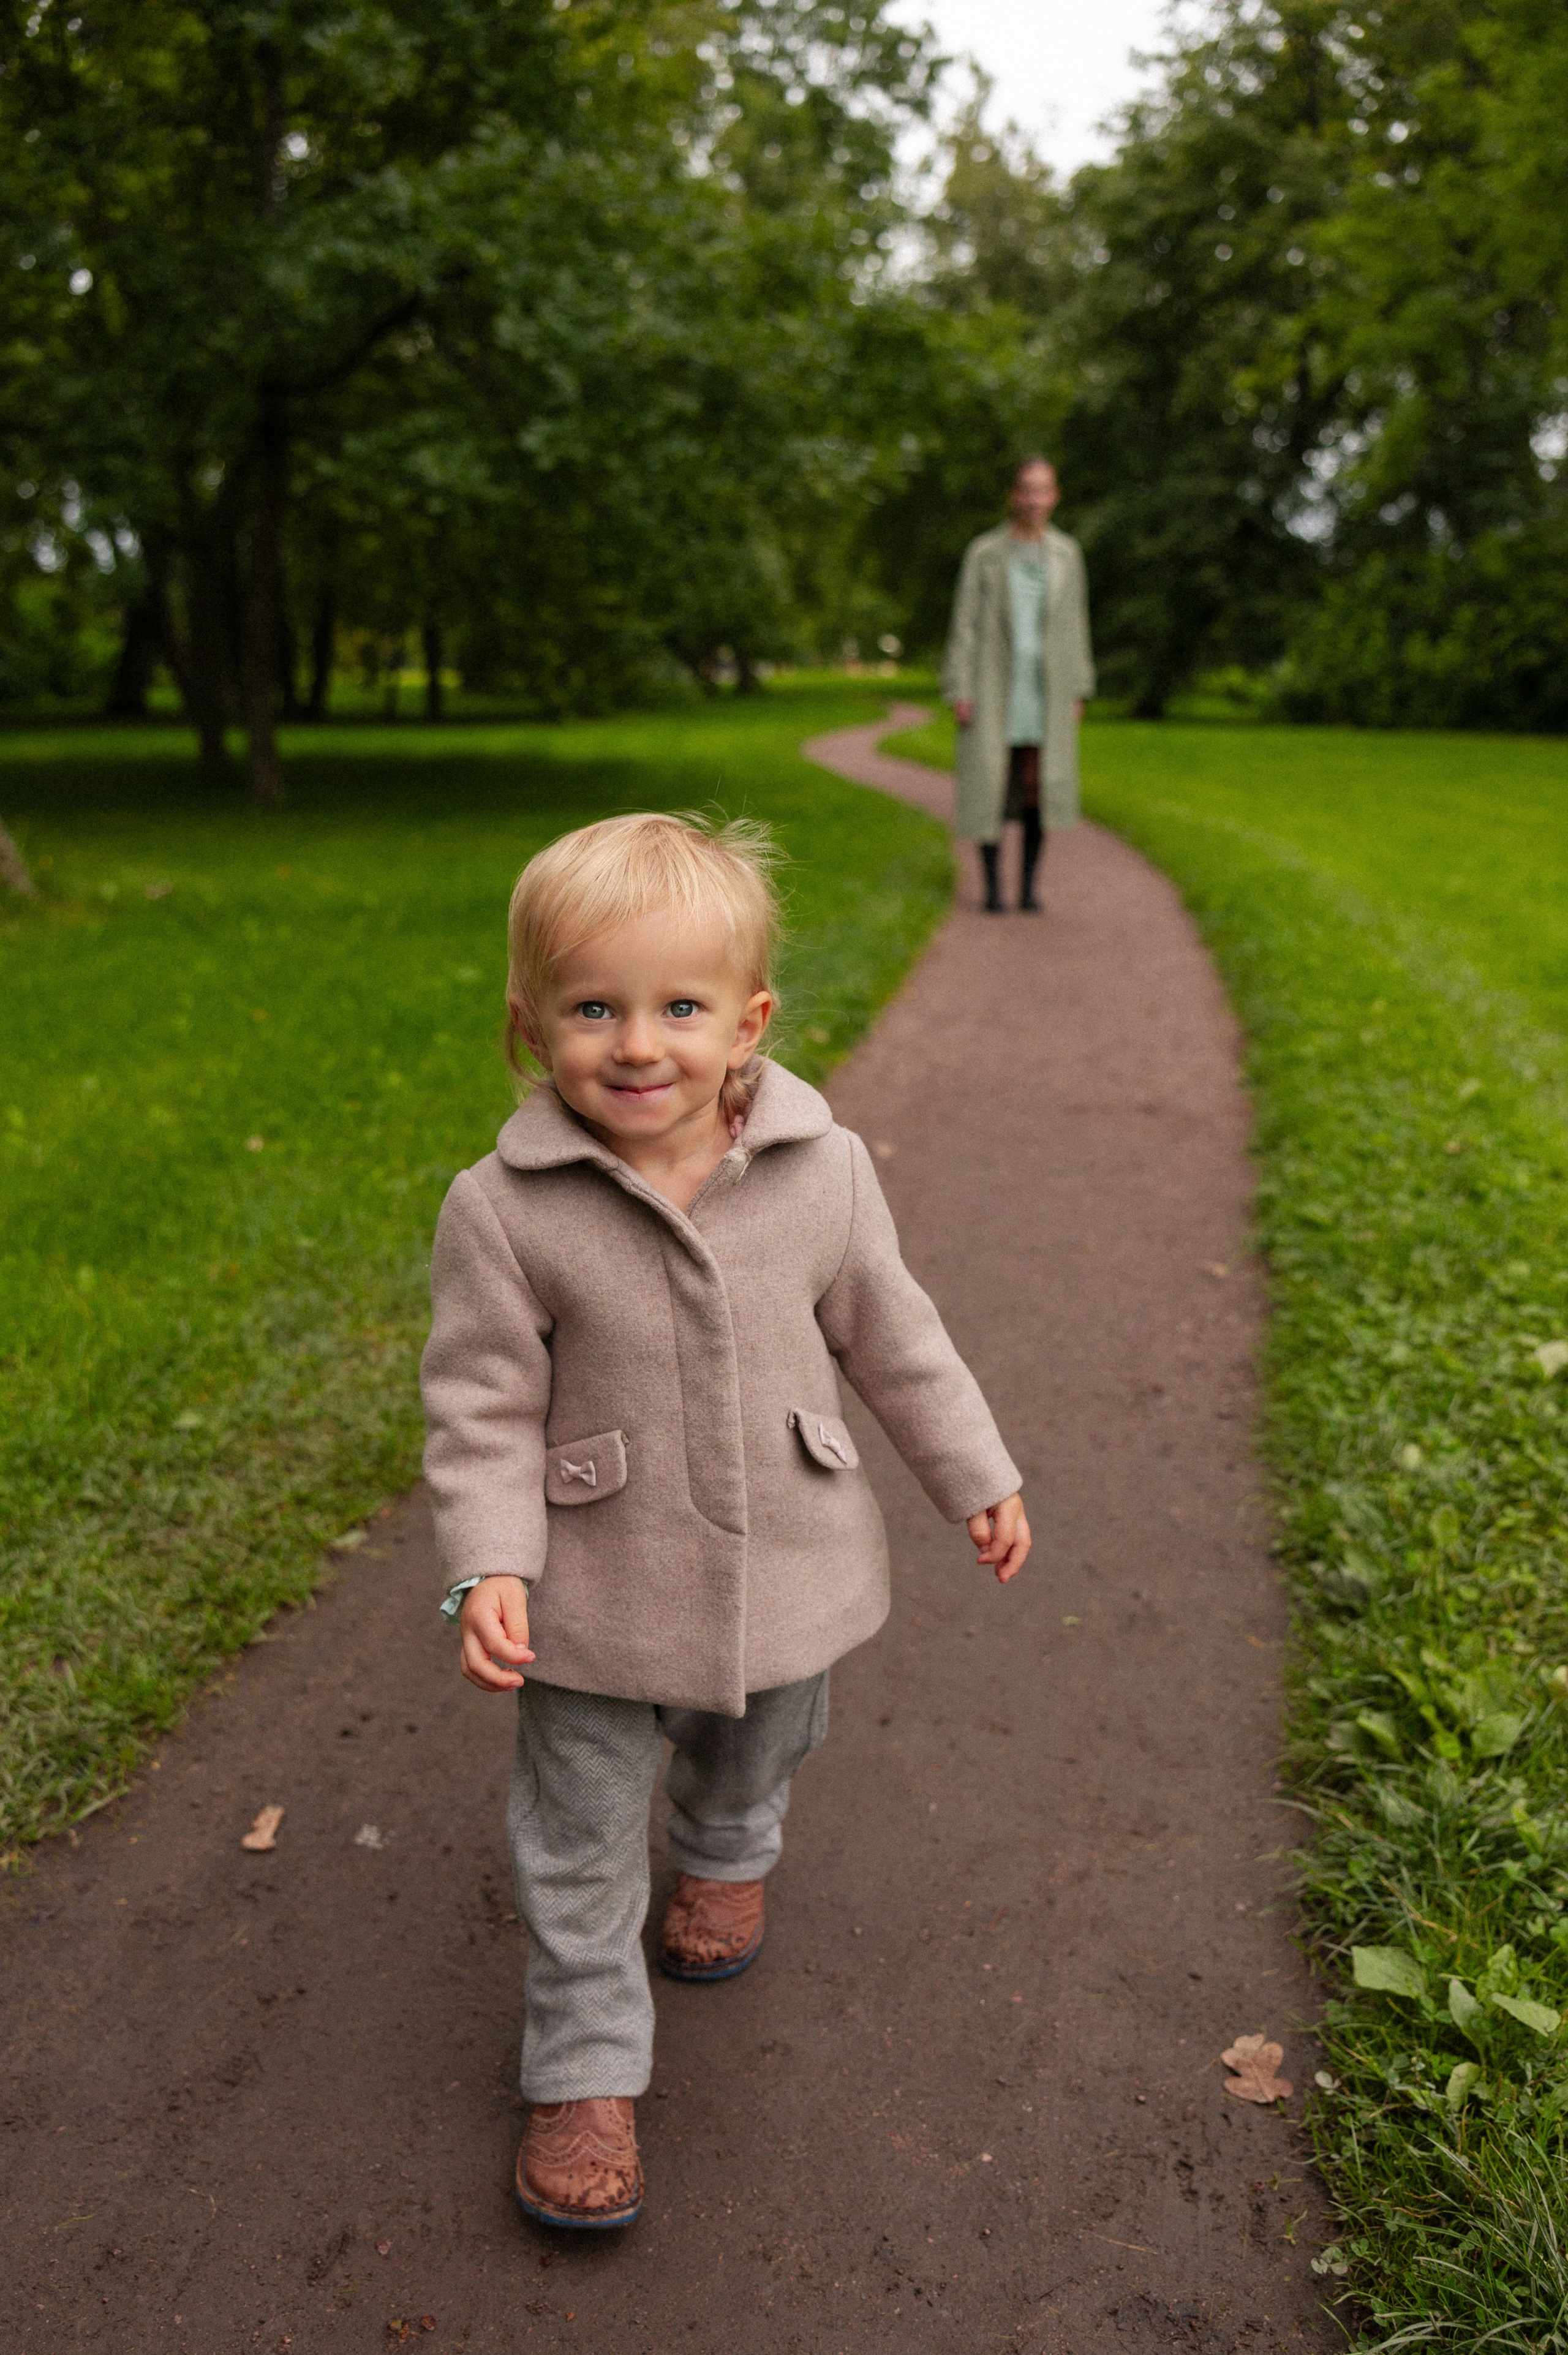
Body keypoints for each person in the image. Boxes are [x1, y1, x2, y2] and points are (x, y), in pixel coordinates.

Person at [421, 812, 1030, 2231]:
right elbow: (482, 1404)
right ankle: (581, 2067)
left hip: (788, 1560)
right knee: (570, 1831)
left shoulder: (824, 1173)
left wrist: (974, 1472)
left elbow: (896, 1340)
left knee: (762, 1739)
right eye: (593, 1008)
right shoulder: (504, 1210)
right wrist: (491, 1559)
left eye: (679, 1007)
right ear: (529, 1029)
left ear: (747, 1020)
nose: (638, 1045)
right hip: (593, 1586)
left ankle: (726, 1852)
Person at [941, 455, 1096, 913]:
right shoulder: (985, 553)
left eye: (1043, 489)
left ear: (1055, 496)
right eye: (1026, 489)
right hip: (993, 683)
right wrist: (959, 686)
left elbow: (1076, 622)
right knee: (990, 781)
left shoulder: (1067, 553)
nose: (1034, 498)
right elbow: (964, 622)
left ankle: (1028, 887)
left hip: (1046, 688)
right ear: (1014, 495)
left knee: (1038, 786)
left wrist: (1079, 686)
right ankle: (992, 888)